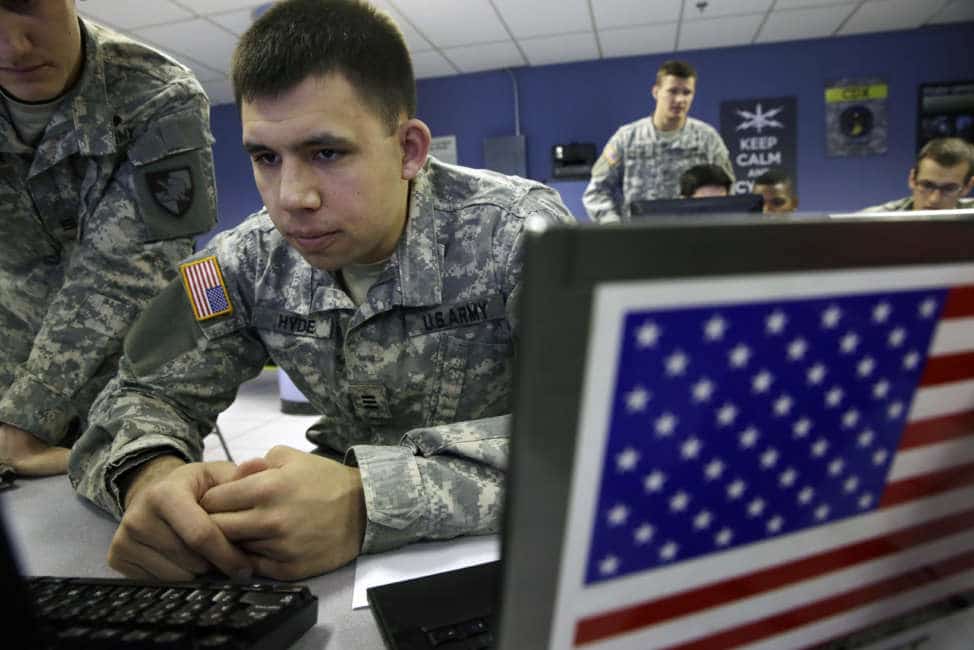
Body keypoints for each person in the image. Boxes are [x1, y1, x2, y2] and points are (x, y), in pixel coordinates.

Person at [68, 0, 575, 582]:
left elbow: (593, 434)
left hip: (499, 555)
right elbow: (142, 394)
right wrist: (151, 478)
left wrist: (367, 500)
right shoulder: (240, 262)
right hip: (317, 555)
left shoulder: (518, 233)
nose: (292, 197)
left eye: (326, 153)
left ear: (408, 149)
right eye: (265, 157)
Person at [0, 0, 216, 477]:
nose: (14, 46)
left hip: (126, 383)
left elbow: (125, 274)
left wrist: (22, 423)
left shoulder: (157, 94)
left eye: (27, 5)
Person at [582, 59, 734, 223]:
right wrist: (614, 227)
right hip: (640, 239)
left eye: (687, 92)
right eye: (673, 91)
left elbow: (727, 191)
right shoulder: (626, 138)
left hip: (693, 236)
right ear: (656, 92)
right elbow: (596, 192)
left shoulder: (708, 139)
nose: (680, 99)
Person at [862, 137, 974, 212]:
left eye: (949, 188)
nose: (934, 199)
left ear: (967, 187)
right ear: (912, 179)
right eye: (927, 185)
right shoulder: (868, 223)